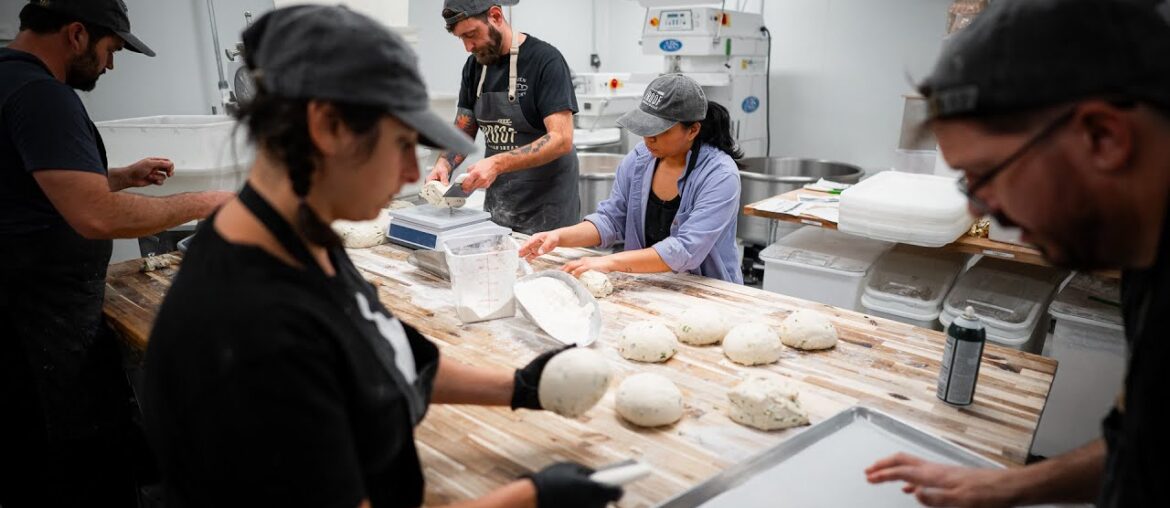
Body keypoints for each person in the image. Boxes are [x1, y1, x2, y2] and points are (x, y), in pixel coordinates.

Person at [141, 7, 622, 508]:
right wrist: (530, 496)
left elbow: (381, 354)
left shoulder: (302, 241)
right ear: (328, 127)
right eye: (399, 145)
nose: (404, 176)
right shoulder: (253, 328)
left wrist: (521, 387)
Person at [864, 1, 1170, 506]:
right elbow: (1140, 444)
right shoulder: (1143, 253)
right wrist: (1009, 485)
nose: (987, 212)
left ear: (1104, 136)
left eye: (987, 176)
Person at [0, 1, 234, 506]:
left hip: (28, 314)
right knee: (77, 470)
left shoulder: (8, 82)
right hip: (42, 327)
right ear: (78, 34)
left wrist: (120, 177)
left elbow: (35, 185)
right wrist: (214, 201)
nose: (110, 65)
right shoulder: (43, 96)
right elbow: (95, 216)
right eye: (111, 50)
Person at [519, 74, 744, 284]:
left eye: (659, 131)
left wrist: (609, 262)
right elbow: (612, 219)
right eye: (645, 128)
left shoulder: (720, 175)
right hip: (647, 283)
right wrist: (558, 237)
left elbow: (685, 249)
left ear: (693, 130)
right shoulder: (639, 160)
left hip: (707, 291)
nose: (648, 139)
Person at [426, 0, 580, 235]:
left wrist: (497, 163)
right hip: (499, 207)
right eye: (462, 39)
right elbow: (464, 128)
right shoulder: (473, 67)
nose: (468, 46)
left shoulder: (546, 61)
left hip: (548, 213)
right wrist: (444, 163)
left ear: (496, 16)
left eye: (472, 34)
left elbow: (561, 139)